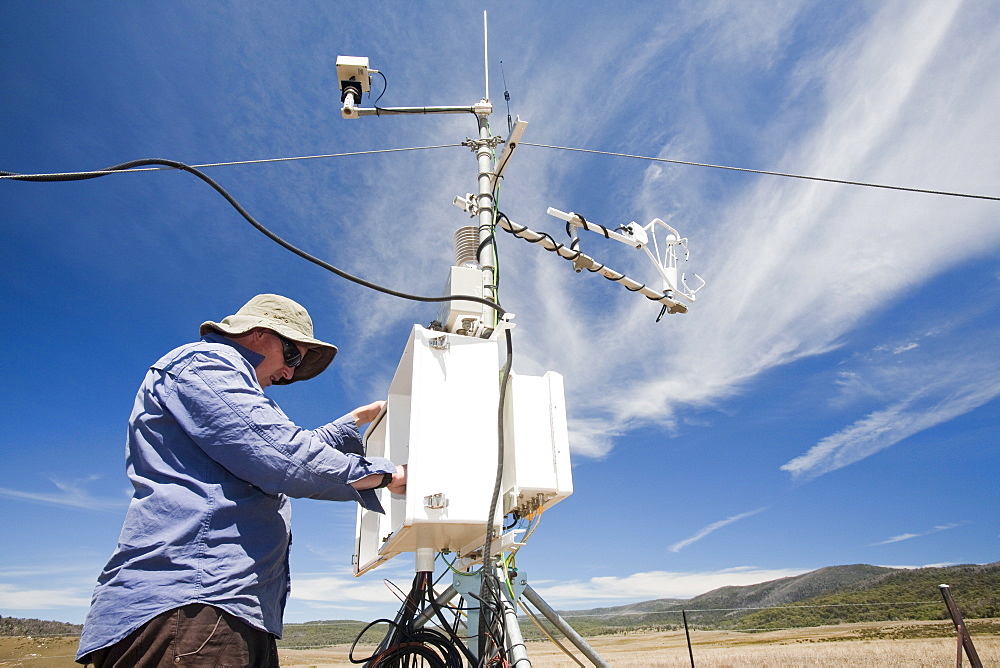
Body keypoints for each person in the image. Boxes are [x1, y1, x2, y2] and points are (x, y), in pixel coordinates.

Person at [76, 294, 405, 667]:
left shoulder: (218, 379)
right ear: (260, 333)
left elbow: (275, 452)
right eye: (293, 357)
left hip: (221, 609)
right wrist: (384, 473)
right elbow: (281, 456)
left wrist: (350, 424)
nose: (288, 375)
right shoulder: (205, 363)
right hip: (192, 608)